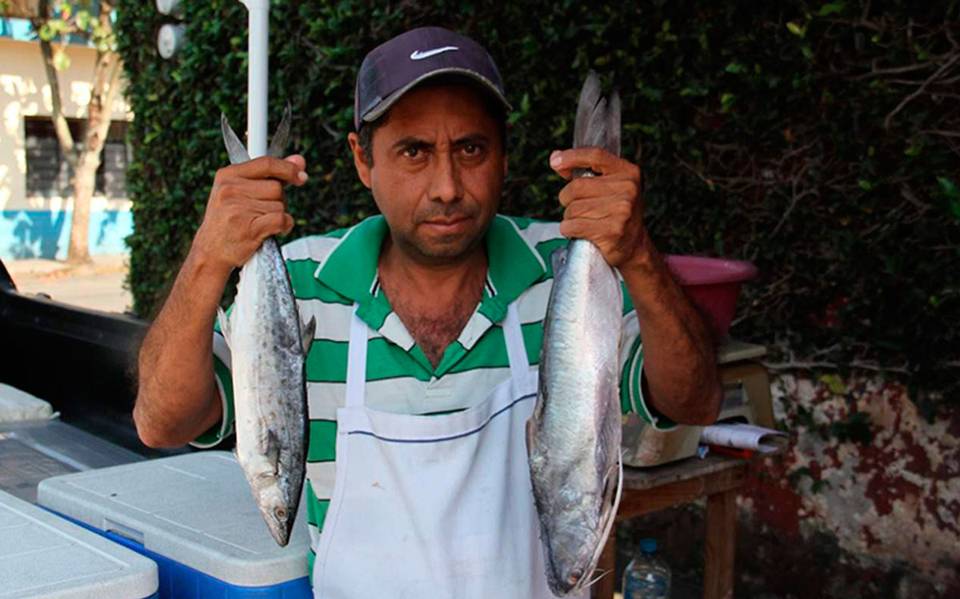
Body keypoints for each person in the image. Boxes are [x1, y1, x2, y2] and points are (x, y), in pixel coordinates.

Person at [134, 26, 722, 598]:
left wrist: (639, 255)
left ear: (503, 156)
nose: (446, 186)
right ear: (364, 161)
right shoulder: (298, 283)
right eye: (414, 152)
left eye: (470, 149)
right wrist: (207, 257)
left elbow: (692, 401)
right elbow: (162, 423)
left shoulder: (566, 268)